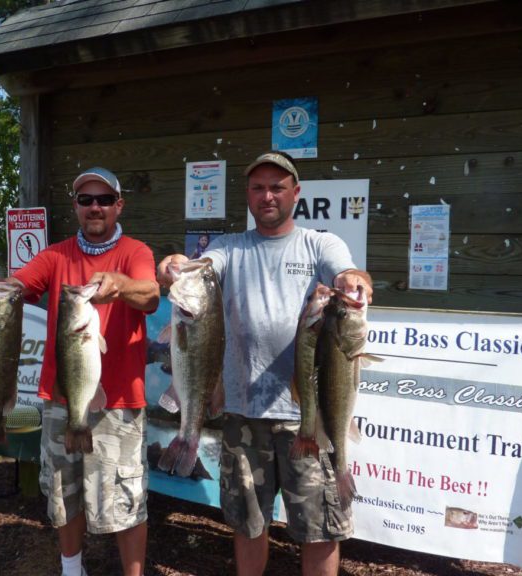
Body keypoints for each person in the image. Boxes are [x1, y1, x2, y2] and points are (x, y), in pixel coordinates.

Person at [157, 151, 373, 576]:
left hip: (305, 418)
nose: (267, 195)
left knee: (319, 528)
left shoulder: (320, 243)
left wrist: (355, 282)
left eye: (277, 187)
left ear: (296, 193)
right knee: (247, 523)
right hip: (242, 414)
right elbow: (193, 270)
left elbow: (352, 274)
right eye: (258, 187)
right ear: (248, 195)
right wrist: (171, 266)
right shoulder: (229, 248)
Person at [0, 167, 159, 576]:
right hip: (60, 398)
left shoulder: (136, 252)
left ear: (118, 205)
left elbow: (151, 295)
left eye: (104, 200)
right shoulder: (55, 255)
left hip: (120, 404)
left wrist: (121, 285)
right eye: (85, 200)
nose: (95, 207)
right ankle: (72, 569)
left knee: (125, 498)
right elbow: (15, 287)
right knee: (62, 493)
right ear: (75, 206)